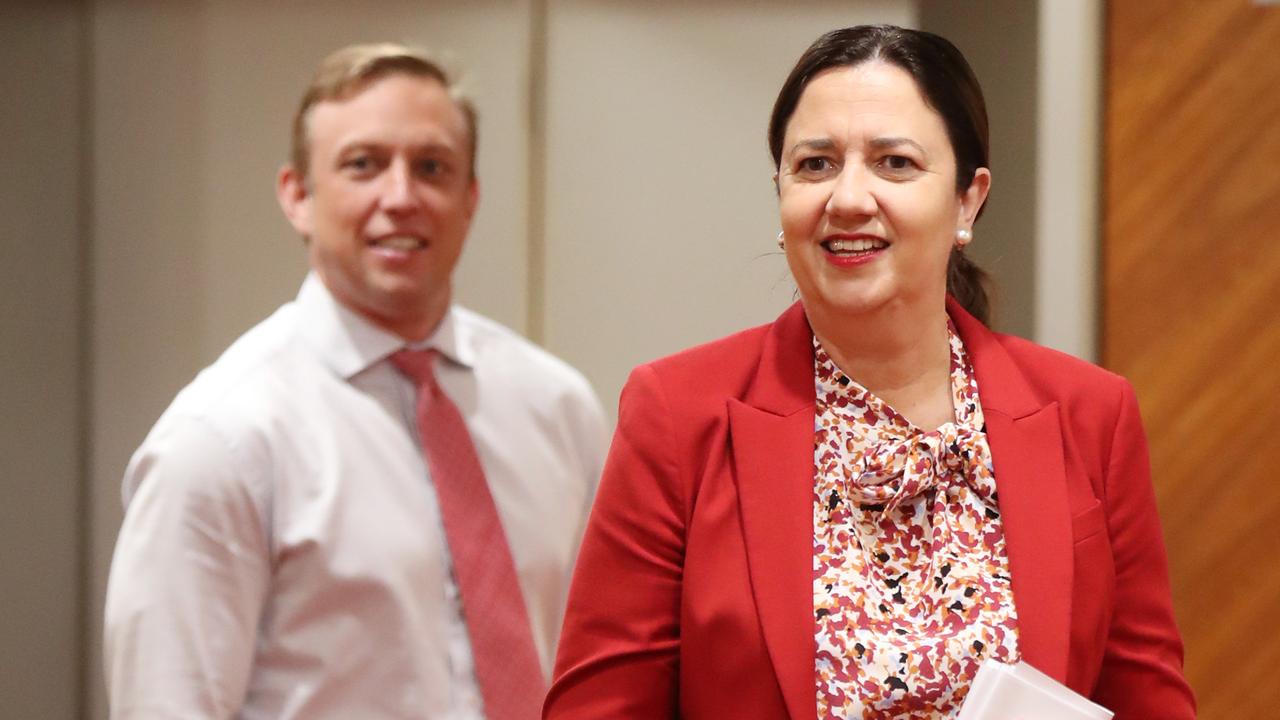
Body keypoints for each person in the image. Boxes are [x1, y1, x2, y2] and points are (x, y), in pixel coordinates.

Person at [544, 25, 1194, 720]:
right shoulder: (676, 413)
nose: (848, 198)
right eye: (816, 165)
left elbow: (1147, 702)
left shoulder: (1089, 412)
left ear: (968, 201)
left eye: (894, 163)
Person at [103, 43, 608, 719]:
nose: (400, 197)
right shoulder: (221, 441)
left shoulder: (558, 408)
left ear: (470, 198)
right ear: (297, 197)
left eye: (432, 167)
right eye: (362, 165)